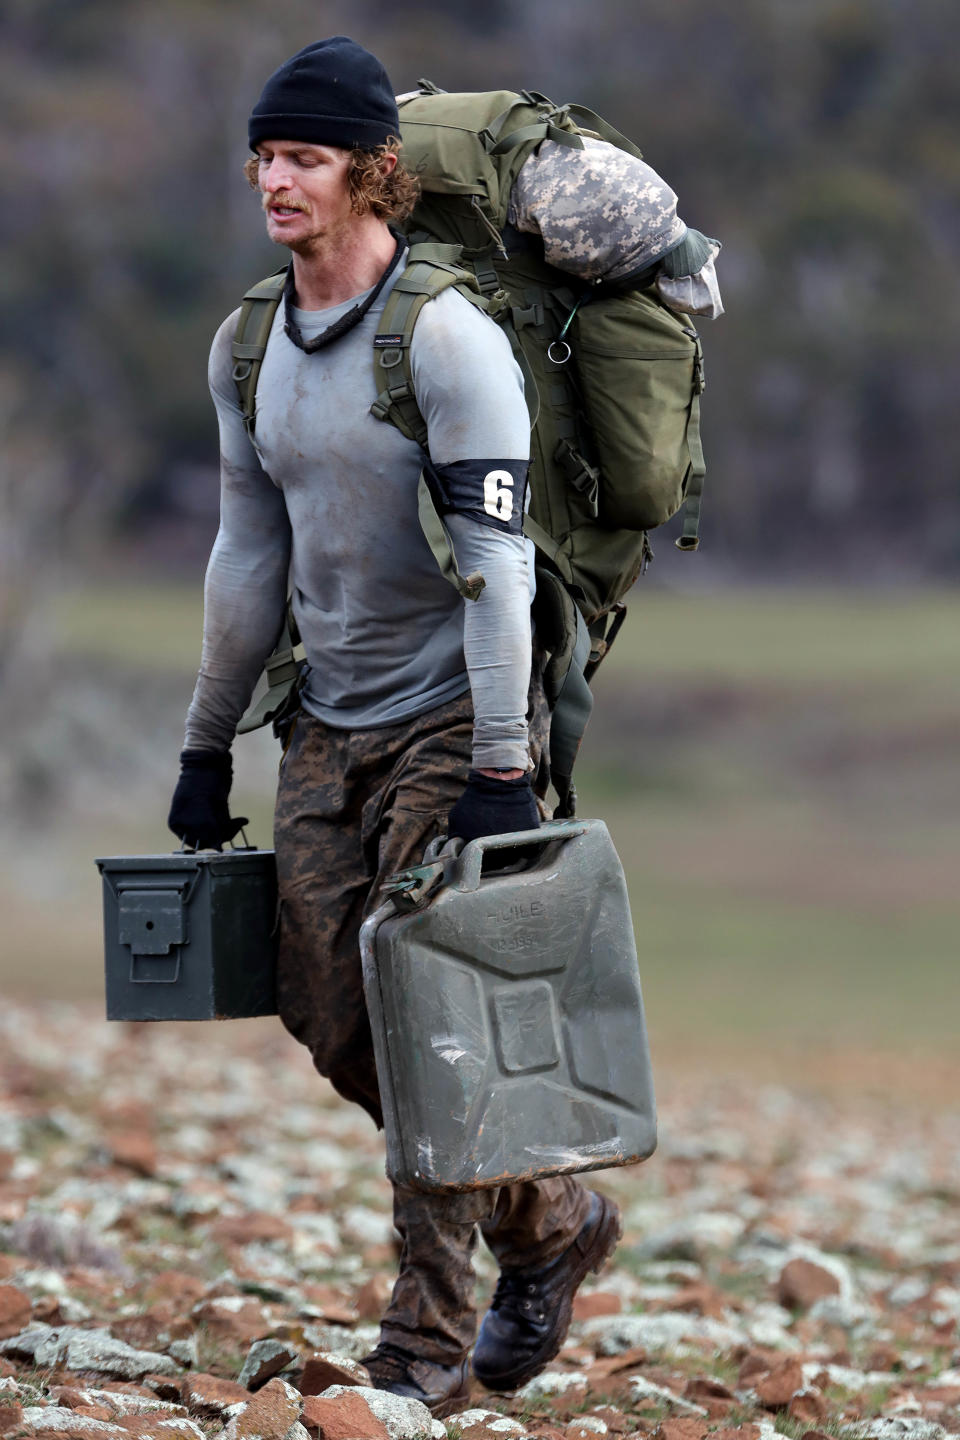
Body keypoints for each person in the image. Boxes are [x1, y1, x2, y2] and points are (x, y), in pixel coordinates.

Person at [167, 37, 621, 1418]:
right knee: (324, 1003)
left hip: (452, 718)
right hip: (328, 721)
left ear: (370, 172)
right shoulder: (249, 347)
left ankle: (420, 1353)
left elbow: (497, 573)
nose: (273, 179)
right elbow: (248, 559)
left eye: (301, 156)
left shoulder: (447, 341)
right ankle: (549, 1216)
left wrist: (498, 763)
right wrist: (204, 745)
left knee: (430, 1023)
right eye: (264, 154)